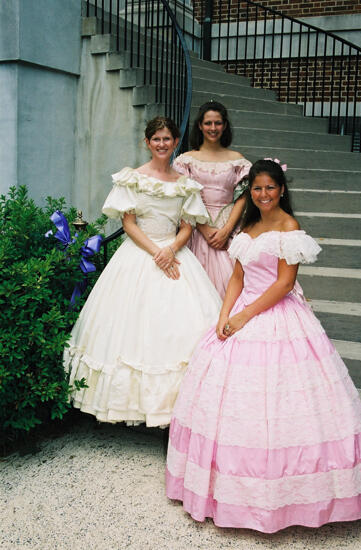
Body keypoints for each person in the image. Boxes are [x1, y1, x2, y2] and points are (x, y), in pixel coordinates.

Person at [166, 159, 361, 532]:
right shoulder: (248, 228)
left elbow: (283, 284)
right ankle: (226, 489)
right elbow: (236, 278)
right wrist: (224, 314)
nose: (263, 195)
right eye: (256, 189)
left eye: (270, 188)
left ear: (281, 190)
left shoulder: (289, 228)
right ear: (250, 192)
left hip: (275, 313)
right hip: (242, 307)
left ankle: (287, 496)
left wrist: (245, 318)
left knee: (284, 406)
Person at [64, 117, 222, 427]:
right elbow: (128, 224)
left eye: (167, 139)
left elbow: (188, 226)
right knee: (129, 331)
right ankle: (131, 407)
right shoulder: (132, 178)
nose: (162, 144)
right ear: (147, 143)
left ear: (176, 142)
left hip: (174, 254)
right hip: (139, 254)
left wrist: (170, 250)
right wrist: (156, 252)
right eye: (156, 139)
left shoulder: (186, 184)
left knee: (177, 329)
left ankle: (177, 411)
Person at [173, 101, 252, 298]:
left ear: (224, 126)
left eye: (218, 123)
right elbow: (185, 199)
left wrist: (226, 231)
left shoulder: (237, 159)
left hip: (229, 225)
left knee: (233, 282)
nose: (213, 128)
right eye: (208, 123)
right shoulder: (186, 160)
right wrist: (205, 229)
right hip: (196, 228)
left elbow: (243, 196)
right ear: (200, 125)